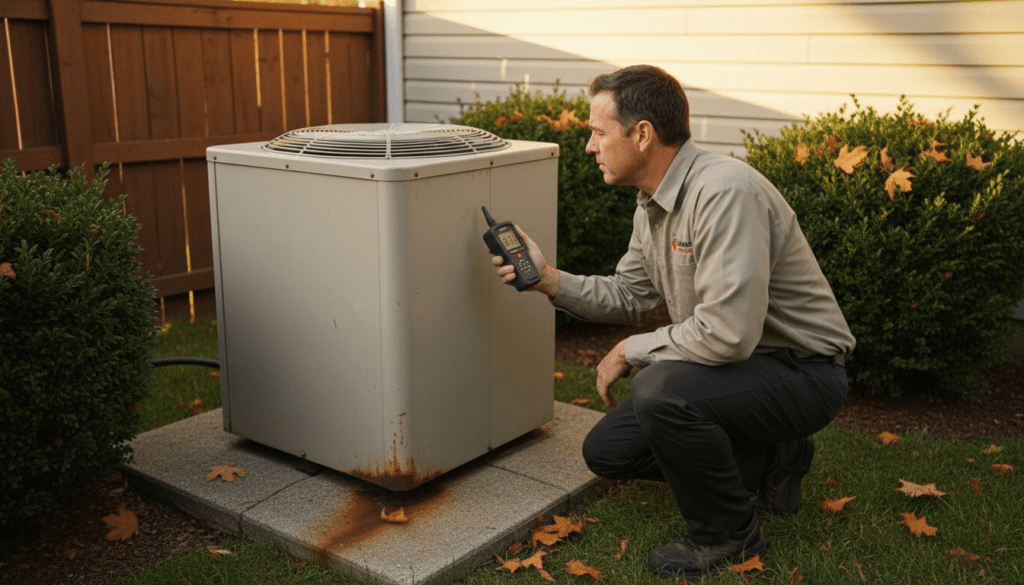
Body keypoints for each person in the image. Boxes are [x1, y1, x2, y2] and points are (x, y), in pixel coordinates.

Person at [489, 64, 855, 578]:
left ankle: (729, 532)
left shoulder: (725, 193)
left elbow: (728, 333)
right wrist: (547, 277)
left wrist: (631, 350)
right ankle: (771, 457)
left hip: (801, 372)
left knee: (661, 387)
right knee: (607, 451)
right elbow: (627, 294)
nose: (590, 147)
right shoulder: (652, 205)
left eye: (597, 132)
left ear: (642, 135)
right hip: (737, 372)